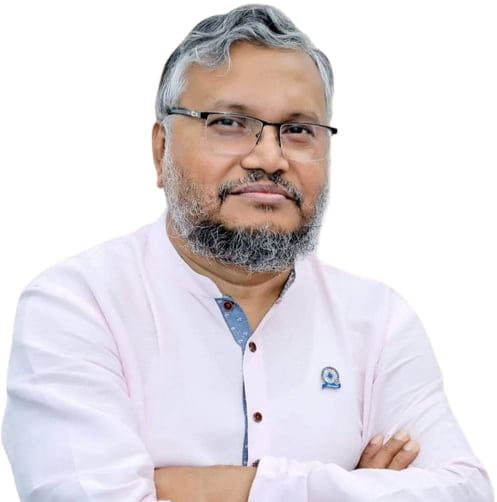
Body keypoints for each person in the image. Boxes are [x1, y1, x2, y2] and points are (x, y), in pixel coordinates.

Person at [1, 4, 493, 501]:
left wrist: (206, 488)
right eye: (229, 122)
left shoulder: (379, 323)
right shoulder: (77, 306)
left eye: (298, 130)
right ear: (160, 150)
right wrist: (358, 489)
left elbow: (468, 491)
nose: (269, 158)